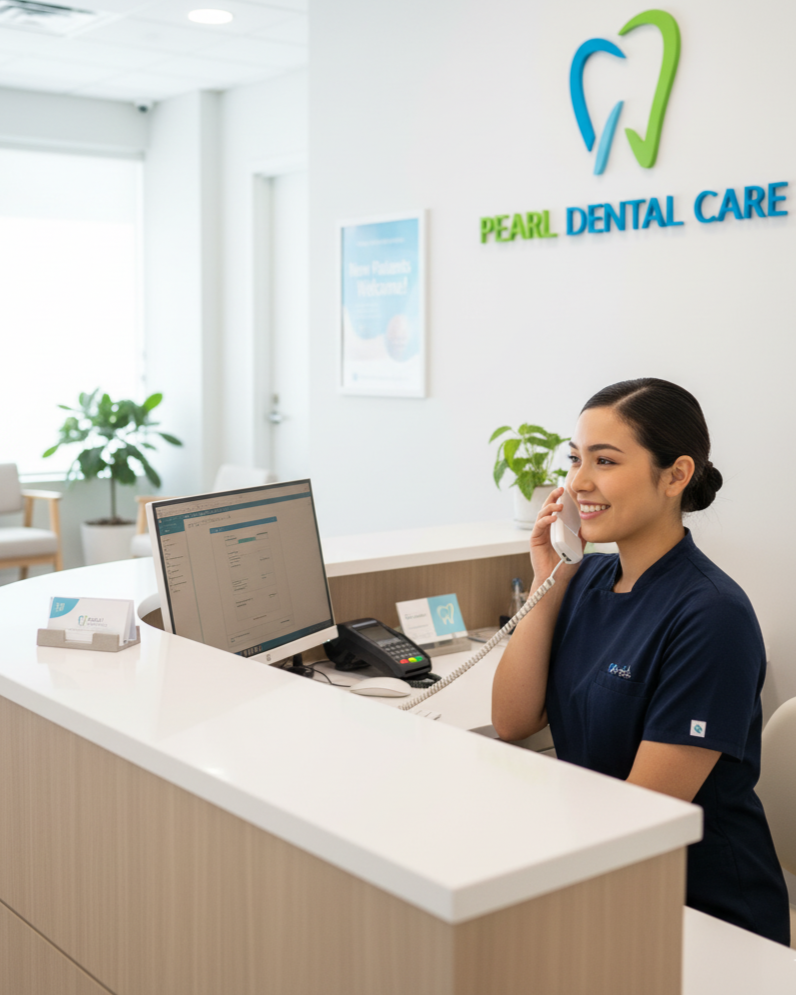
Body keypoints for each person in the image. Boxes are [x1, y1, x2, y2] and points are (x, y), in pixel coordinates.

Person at [492, 378, 791, 945]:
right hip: (611, 878)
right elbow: (511, 720)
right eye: (575, 458)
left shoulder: (712, 616)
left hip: (703, 911)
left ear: (676, 475)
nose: (578, 482)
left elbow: (639, 817)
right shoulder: (588, 579)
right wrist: (547, 578)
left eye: (605, 461)